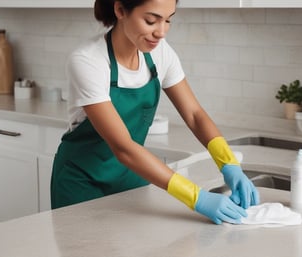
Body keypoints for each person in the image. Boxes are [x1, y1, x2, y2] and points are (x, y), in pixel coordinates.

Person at [50, 0, 259, 225]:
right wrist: (196, 197)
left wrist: (228, 164)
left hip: (131, 177)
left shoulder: (161, 54)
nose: (161, 32)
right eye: (151, 20)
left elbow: (194, 114)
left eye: (168, 20)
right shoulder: (88, 61)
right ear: (120, 10)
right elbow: (124, 148)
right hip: (82, 183)